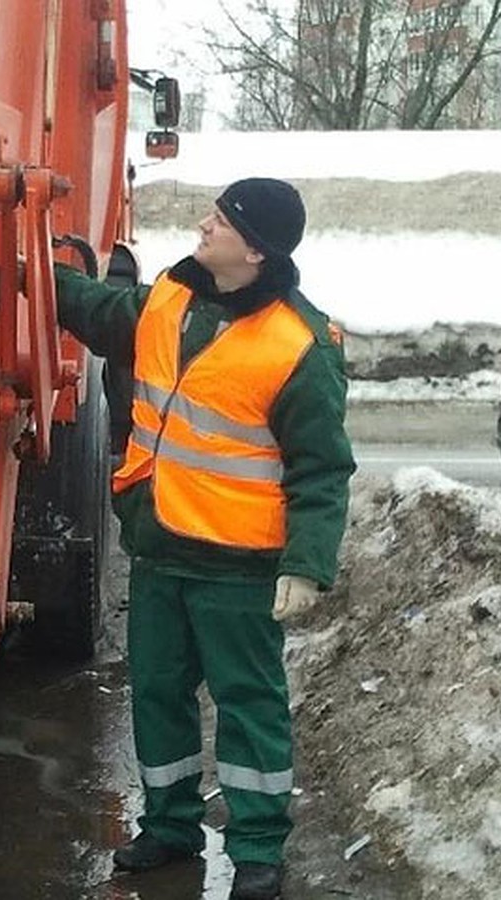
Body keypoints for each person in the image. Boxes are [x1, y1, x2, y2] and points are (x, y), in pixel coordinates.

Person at [54, 177, 355, 900]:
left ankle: (257, 847)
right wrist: (37, 267)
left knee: (247, 703)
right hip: (160, 547)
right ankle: (170, 825)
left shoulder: (299, 347)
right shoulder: (171, 300)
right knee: (158, 692)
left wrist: (306, 565)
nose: (202, 225)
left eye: (217, 221)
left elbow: (322, 469)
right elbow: (101, 311)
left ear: (254, 249)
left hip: (238, 566)